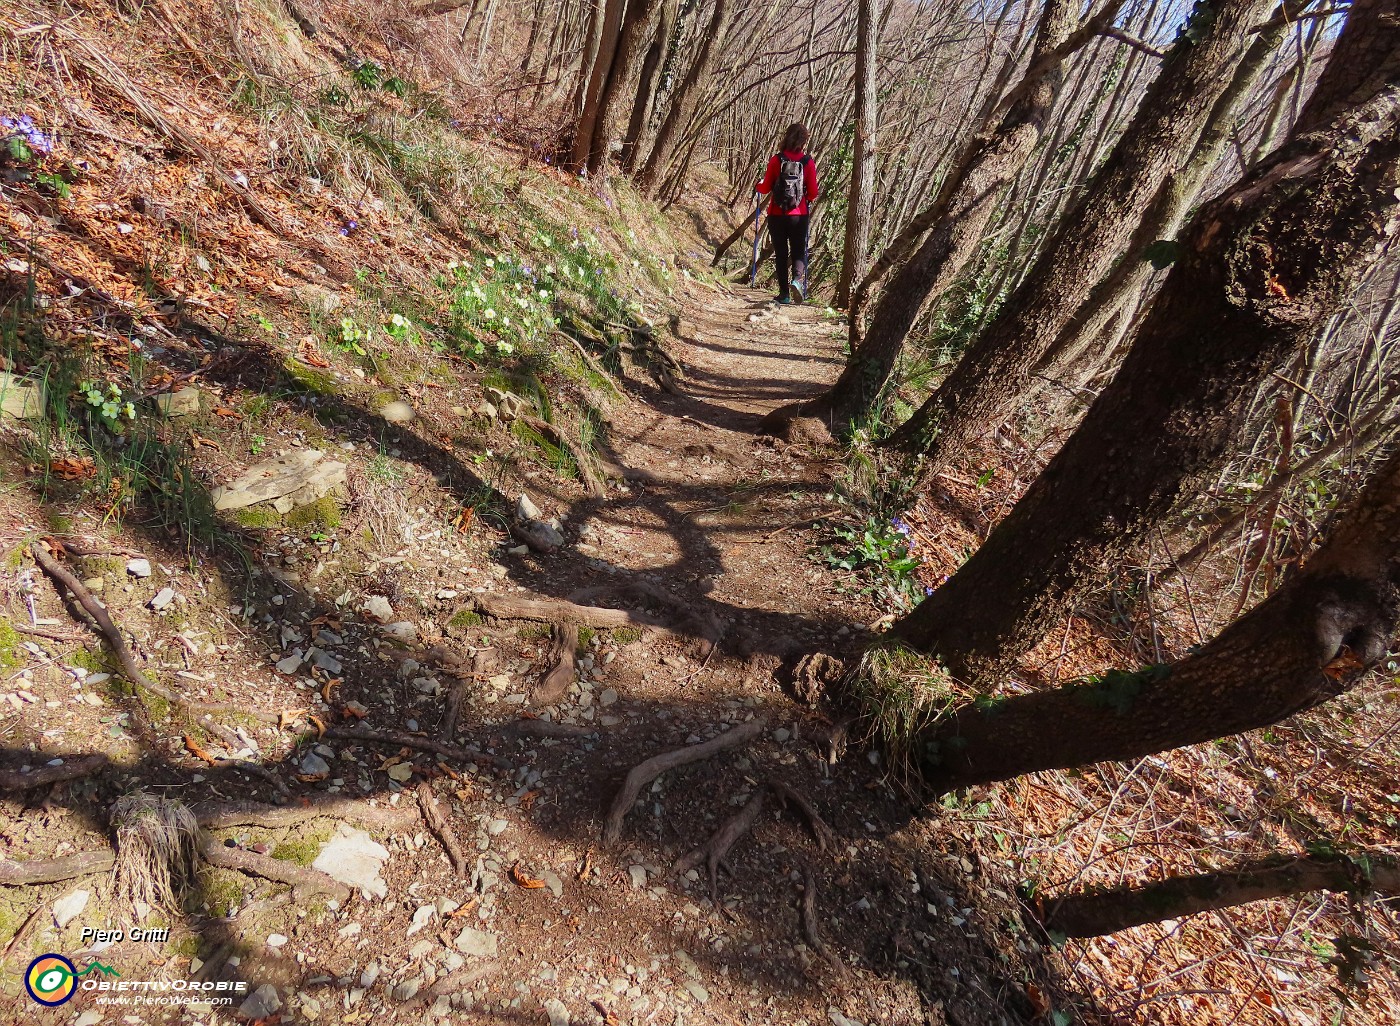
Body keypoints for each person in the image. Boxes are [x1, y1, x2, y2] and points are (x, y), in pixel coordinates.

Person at [754, 122, 819, 304]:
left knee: (781, 253)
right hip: (799, 214)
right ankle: (797, 281)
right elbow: (813, 192)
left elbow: (766, 187)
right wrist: (805, 196)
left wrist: (756, 185)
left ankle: (784, 294)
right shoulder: (807, 162)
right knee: (798, 250)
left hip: (777, 213)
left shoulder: (777, 160)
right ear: (804, 141)